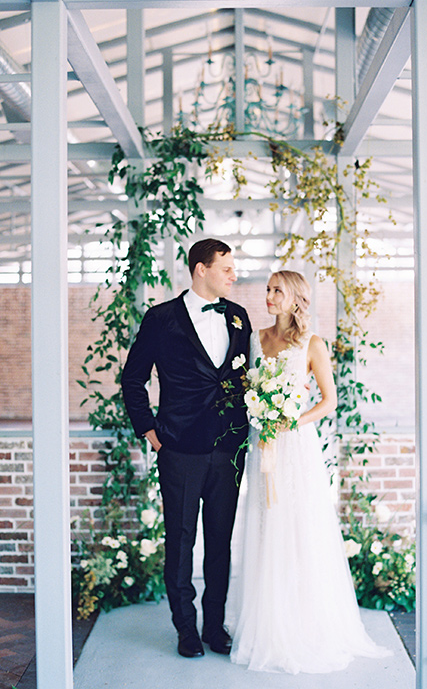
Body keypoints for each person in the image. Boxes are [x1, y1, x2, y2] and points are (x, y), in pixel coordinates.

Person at [229, 270, 390, 674]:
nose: (268, 296)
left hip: (295, 447)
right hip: (261, 443)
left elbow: (329, 402)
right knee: (264, 525)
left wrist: (291, 420)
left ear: (296, 297)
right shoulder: (255, 339)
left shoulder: (312, 343)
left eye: (276, 290)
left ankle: (302, 624)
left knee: (299, 527)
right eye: (267, 290)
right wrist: (260, 413)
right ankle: (265, 623)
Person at [121, 238, 252, 659]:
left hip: (229, 449)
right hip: (179, 448)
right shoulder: (160, 319)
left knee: (220, 541)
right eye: (226, 268)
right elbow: (132, 379)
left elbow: (246, 378)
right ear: (201, 269)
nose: (234, 275)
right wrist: (148, 430)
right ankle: (186, 630)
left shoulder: (238, 317)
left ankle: (214, 627)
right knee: (179, 542)